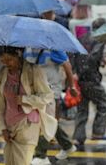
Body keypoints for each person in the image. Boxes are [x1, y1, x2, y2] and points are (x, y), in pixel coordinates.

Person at [0, 46, 57, 165]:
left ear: (18, 55)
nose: (6, 63)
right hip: (9, 125)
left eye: (9, 60)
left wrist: (26, 99)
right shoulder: (1, 74)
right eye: (3, 60)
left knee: (22, 162)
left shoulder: (34, 71)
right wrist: (2, 128)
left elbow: (47, 96)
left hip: (28, 124)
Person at [29, 10, 78, 165]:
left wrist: (71, 86)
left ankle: (41, 155)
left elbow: (67, 66)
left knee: (46, 120)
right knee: (45, 120)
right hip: (35, 89)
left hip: (51, 89)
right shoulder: (29, 47)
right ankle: (67, 146)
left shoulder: (54, 47)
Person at [70, 18, 106, 146]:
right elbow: (93, 57)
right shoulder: (99, 39)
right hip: (91, 78)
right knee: (104, 103)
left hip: (80, 79)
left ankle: (78, 136)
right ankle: (98, 133)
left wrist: (76, 71)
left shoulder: (82, 37)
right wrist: (98, 61)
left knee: (82, 109)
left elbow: (75, 56)